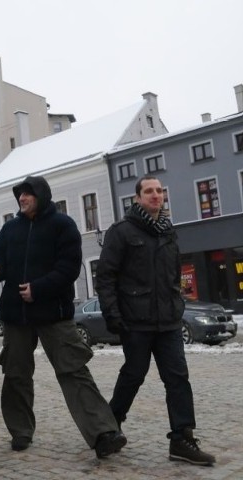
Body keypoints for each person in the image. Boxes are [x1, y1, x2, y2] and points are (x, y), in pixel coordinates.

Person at [0, 175, 126, 459]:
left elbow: (69, 268)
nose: (21, 199)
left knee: (74, 371)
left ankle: (103, 433)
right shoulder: (10, 228)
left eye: (27, 195)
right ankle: (20, 431)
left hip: (54, 313)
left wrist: (39, 289)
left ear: (41, 196)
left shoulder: (63, 225)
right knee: (15, 374)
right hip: (17, 316)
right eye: (19, 195)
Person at [96, 175, 216, 466]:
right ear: (137, 198)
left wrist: (177, 302)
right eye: (148, 191)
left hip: (168, 322)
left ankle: (182, 439)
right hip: (135, 322)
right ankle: (108, 429)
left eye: (159, 191)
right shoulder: (121, 231)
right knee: (133, 375)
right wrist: (113, 315)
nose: (155, 195)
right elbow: (106, 277)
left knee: (177, 378)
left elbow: (173, 274)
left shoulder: (167, 230)